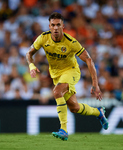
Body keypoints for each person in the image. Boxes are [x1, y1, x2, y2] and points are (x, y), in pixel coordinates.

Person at [26, 12, 108, 141]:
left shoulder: (71, 42)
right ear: (49, 26)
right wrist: (31, 66)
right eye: (53, 25)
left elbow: (89, 60)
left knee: (57, 92)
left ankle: (63, 129)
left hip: (71, 71)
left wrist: (95, 84)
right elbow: (29, 53)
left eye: (58, 25)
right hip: (56, 75)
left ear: (63, 25)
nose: (55, 28)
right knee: (74, 108)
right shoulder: (43, 38)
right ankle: (99, 112)